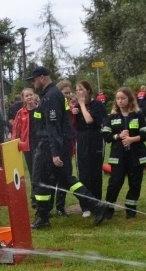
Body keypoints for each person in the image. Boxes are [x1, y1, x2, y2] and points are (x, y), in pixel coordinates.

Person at [27, 66, 107, 229]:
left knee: (41, 180)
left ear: (42, 78)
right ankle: (97, 206)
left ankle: (42, 217)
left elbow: (52, 126)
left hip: (51, 147)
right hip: (57, 145)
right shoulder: (51, 95)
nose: (33, 84)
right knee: (66, 179)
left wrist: (55, 153)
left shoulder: (51, 97)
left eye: (34, 80)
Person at [101, 87, 146, 219]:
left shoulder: (138, 114)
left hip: (136, 155)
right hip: (118, 156)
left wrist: (131, 139)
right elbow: (106, 135)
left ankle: (131, 208)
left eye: (123, 98)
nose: (120, 101)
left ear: (129, 99)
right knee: (115, 182)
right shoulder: (111, 117)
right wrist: (118, 136)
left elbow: (145, 134)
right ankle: (109, 208)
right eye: (118, 98)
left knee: (135, 182)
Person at [73, 80, 106, 217]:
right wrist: (73, 111)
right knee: (84, 173)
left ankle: (96, 203)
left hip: (96, 139)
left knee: (95, 173)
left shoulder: (97, 105)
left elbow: (89, 120)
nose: (78, 92)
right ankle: (85, 205)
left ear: (88, 91)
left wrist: (81, 105)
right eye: (77, 90)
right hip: (81, 139)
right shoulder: (75, 107)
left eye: (81, 89)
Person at [54, 80, 76, 216]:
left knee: (65, 176)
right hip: (57, 147)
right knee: (58, 177)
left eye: (69, 93)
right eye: (64, 93)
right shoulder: (56, 106)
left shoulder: (70, 106)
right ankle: (51, 208)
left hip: (68, 145)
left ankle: (60, 207)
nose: (67, 95)